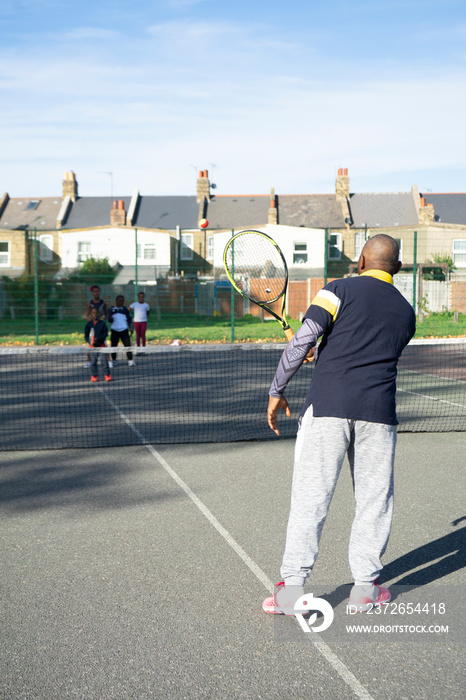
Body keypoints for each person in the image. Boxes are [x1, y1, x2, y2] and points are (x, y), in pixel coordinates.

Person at [262, 234, 416, 615]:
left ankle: (291, 591)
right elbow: (366, 348)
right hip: (379, 414)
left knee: (310, 498)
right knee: (374, 500)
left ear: (361, 260)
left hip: (328, 406)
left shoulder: (336, 290)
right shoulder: (407, 311)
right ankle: (365, 589)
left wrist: (277, 389)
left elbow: (303, 341)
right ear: (395, 268)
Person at [85, 285, 109, 369]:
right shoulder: (90, 303)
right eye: (94, 291)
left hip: (100, 326)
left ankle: (108, 362)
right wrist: (92, 323)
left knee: (103, 344)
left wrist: (102, 322)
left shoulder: (103, 303)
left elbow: (106, 314)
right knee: (91, 343)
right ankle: (89, 362)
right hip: (93, 326)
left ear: (100, 292)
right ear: (92, 293)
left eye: (97, 291)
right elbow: (87, 315)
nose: (96, 293)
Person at [84, 307, 111, 382]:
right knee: (93, 362)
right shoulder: (88, 325)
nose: (95, 314)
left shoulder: (102, 323)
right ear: (90, 314)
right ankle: (94, 376)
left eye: (96, 313)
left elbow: (105, 334)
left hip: (101, 345)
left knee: (104, 361)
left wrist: (98, 339)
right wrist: (90, 341)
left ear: (99, 314)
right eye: (93, 313)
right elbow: (86, 336)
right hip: (92, 347)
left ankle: (107, 375)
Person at [108, 295, 135, 366]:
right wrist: (110, 319)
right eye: (119, 300)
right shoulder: (112, 309)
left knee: (127, 345)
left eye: (122, 301)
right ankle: (114, 360)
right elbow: (109, 319)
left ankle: (130, 360)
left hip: (124, 330)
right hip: (114, 330)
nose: (121, 302)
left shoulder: (125, 309)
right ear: (116, 301)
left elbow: (129, 320)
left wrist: (131, 328)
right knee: (113, 346)